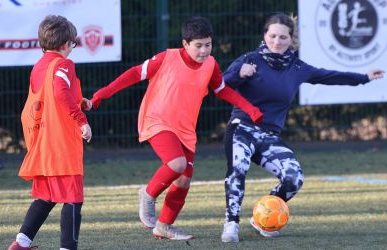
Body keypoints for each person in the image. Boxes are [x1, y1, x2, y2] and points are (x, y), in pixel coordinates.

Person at [90, 16, 263, 240]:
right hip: (157, 120)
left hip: (185, 130)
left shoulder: (211, 64)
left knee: (183, 180)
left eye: (208, 45)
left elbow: (222, 90)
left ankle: (163, 226)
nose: (203, 51)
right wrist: (102, 94)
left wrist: (250, 109)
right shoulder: (167, 58)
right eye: (198, 46)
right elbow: (134, 74)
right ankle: (148, 193)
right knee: (177, 164)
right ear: (185, 44)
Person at [220, 12, 385, 243]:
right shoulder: (249, 60)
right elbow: (220, 85)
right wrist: (238, 74)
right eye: (273, 35)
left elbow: (331, 76)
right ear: (265, 35)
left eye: (283, 37)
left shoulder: (297, 68)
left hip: (269, 136)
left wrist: (364, 77)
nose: (277, 41)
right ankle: (231, 223)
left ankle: (262, 216)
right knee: (238, 167)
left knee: (293, 178)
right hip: (242, 128)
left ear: (291, 40)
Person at [7, 15, 92, 250]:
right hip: (61, 144)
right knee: (74, 199)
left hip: (43, 144)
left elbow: (52, 96)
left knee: (46, 197)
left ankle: (21, 243)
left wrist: (79, 102)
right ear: (65, 44)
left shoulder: (39, 66)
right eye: (73, 44)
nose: (72, 49)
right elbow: (59, 92)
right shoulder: (64, 64)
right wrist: (81, 120)